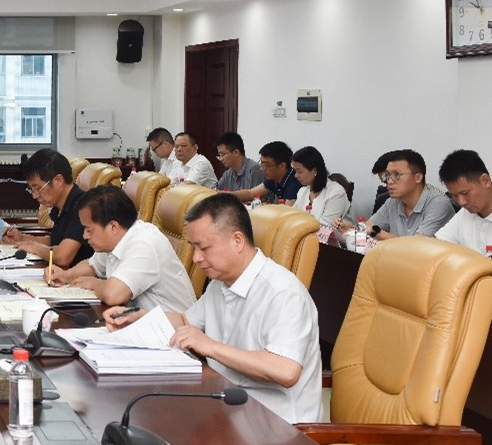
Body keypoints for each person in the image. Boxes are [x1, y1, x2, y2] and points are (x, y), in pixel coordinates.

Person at [102, 193, 322, 423]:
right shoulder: (221, 282)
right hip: (229, 406)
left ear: (237, 241)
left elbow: (286, 370)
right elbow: (186, 322)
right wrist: (142, 318)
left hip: (276, 424)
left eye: (204, 248)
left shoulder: (282, 292)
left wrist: (210, 347)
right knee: (141, 412)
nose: (196, 258)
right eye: (193, 248)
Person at [49, 185, 196, 312]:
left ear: (113, 227)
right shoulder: (116, 239)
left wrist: (93, 283)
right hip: (141, 323)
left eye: (89, 230)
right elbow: (92, 265)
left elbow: (113, 295)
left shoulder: (144, 243)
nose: (85, 236)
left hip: (171, 331)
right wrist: (66, 276)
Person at [0, 147, 94, 268]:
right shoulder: (60, 205)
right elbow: (55, 241)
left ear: (58, 181)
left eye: (38, 188)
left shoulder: (83, 207)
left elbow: (63, 257)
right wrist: (22, 238)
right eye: (31, 189)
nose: (34, 196)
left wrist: (35, 247)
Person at [337, 149, 454, 240]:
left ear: (418, 177)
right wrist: (352, 228)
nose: (389, 181)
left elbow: (416, 245)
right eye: (388, 175)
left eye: (396, 175)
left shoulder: (438, 204)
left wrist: (375, 232)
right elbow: (368, 227)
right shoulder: (392, 202)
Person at [436, 149, 492, 254]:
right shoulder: (464, 214)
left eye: (465, 193)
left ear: (485, 181)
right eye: (455, 196)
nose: (461, 202)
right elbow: (438, 245)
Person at [291, 146, 349, 227]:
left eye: (299, 172)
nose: (296, 175)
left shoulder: (336, 193)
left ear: (314, 171)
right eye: (295, 171)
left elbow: (326, 227)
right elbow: (292, 218)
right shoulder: (303, 191)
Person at [226, 140, 299, 205]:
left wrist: (264, 206)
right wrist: (224, 195)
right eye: (262, 164)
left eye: (266, 165)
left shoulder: (294, 182)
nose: (262, 169)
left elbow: (287, 211)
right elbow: (250, 193)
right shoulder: (274, 179)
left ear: (282, 166)